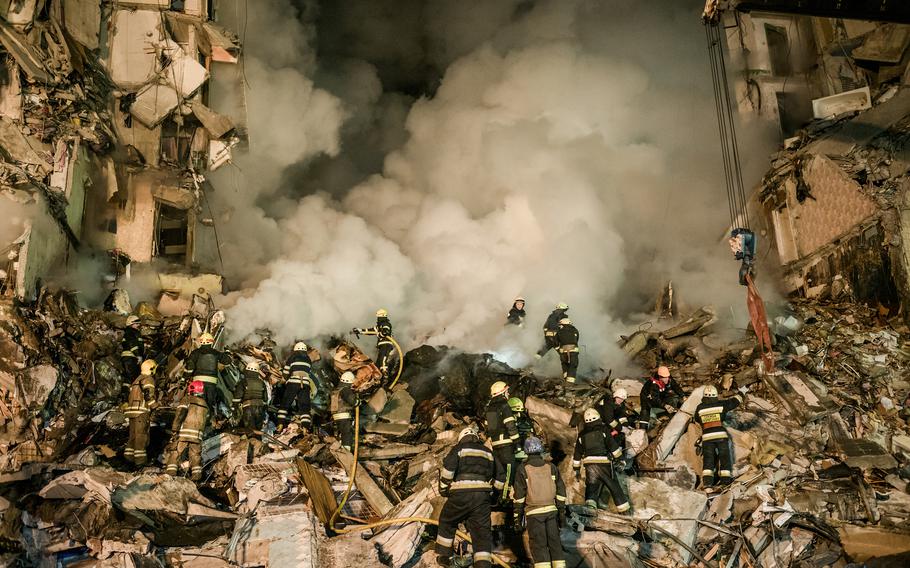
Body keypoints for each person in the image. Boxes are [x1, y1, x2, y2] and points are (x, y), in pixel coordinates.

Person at [436, 426, 504, 568]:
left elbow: (448, 470)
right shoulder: (488, 452)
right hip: (482, 496)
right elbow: (500, 478)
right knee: (481, 532)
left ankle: (445, 557)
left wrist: (443, 489)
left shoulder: (459, 449)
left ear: (461, 438)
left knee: (447, 520)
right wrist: (494, 497)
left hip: (461, 494)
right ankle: (483, 564)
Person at [513, 436, 567, 568]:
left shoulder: (522, 469)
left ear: (526, 451)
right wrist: (561, 514)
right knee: (555, 545)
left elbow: (519, 498)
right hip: (551, 512)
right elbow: (561, 492)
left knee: (539, 546)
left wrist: (517, 520)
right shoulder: (551, 467)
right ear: (541, 449)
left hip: (534, 514)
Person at [572, 409, 629, 513]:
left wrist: (576, 469)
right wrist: (620, 459)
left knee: (592, 487)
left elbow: (577, 453)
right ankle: (624, 511)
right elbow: (612, 445)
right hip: (604, 463)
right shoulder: (603, 430)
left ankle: (590, 510)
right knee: (613, 486)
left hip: (590, 465)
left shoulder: (581, 434)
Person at [695, 385, 744, 488]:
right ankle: (725, 482)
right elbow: (734, 402)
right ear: (715, 395)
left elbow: (696, 419)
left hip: (707, 437)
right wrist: (742, 393)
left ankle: (707, 484)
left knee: (708, 460)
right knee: (724, 458)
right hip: (721, 436)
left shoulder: (699, 407)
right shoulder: (721, 405)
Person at [166, 380, 209, 481]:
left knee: (176, 451)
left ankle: (170, 473)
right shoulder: (205, 404)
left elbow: (180, 414)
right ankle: (197, 476)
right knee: (195, 455)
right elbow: (207, 420)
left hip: (184, 433)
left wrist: (175, 429)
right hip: (198, 435)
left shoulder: (186, 399)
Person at [183, 332, 232, 415]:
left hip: (197, 384)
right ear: (211, 342)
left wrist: (184, 378)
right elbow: (227, 361)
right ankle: (207, 420)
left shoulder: (195, 353)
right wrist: (227, 353)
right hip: (211, 385)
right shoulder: (216, 353)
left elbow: (190, 366)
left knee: (196, 403)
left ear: (201, 341)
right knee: (208, 405)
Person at [485, 381, 519, 494]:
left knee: (500, 473)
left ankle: (496, 496)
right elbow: (510, 425)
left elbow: (489, 429)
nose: (508, 393)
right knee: (510, 473)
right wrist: (517, 443)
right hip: (506, 446)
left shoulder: (489, 408)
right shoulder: (504, 405)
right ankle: (504, 499)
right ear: (502, 393)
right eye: (506, 391)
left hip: (495, 447)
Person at [124, 359, 157, 465]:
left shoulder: (136, 380)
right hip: (141, 411)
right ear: (152, 369)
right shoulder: (148, 379)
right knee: (141, 436)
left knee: (133, 435)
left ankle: (128, 457)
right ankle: (140, 461)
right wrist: (154, 405)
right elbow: (148, 394)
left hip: (131, 411)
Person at [277, 342, 317, 429]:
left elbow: (286, 372)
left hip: (293, 383)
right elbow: (309, 373)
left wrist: (283, 380)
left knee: (285, 403)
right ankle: (305, 427)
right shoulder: (308, 359)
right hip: (305, 384)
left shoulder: (292, 357)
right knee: (305, 406)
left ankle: (280, 424)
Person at [354, 309, 396, 381]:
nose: (378, 319)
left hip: (386, 344)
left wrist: (382, 333)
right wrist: (360, 331)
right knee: (379, 361)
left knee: (383, 360)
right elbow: (370, 331)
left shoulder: (385, 324)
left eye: (379, 317)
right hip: (382, 345)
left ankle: (385, 376)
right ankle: (378, 376)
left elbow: (386, 331)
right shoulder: (379, 326)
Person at [233, 361, 268, 432]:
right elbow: (265, 399)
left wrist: (234, 408)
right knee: (257, 430)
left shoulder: (243, 382)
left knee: (249, 431)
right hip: (260, 409)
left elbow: (237, 397)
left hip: (248, 408)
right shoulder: (262, 383)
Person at [331, 372, 357, 451]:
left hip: (335, 416)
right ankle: (346, 452)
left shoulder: (336, 390)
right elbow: (352, 401)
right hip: (344, 415)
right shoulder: (346, 389)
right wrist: (358, 401)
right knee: (347, 434)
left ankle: (339, 448)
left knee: (341, 433)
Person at [120, 315, 145, 399]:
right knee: (133, 378)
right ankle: (130, 397)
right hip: (131, 358)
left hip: (128, 358)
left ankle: (125, 398)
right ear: (131, 324)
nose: (138, 325)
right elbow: (133, 344)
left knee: (128, 378)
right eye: (136, 323)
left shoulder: (129, 332)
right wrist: (138, 355)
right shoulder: (131, 332)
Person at [555, 317, 580, 384]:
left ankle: (566, 378)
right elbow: (577, 339)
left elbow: (556, 342)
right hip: (574, 350)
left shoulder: (559, 331)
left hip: (563, 351)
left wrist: (558, 350)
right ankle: (570, 382)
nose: (560, 326)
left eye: (561, 324)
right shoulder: (575, 330)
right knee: (573, 365)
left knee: (564, 364)